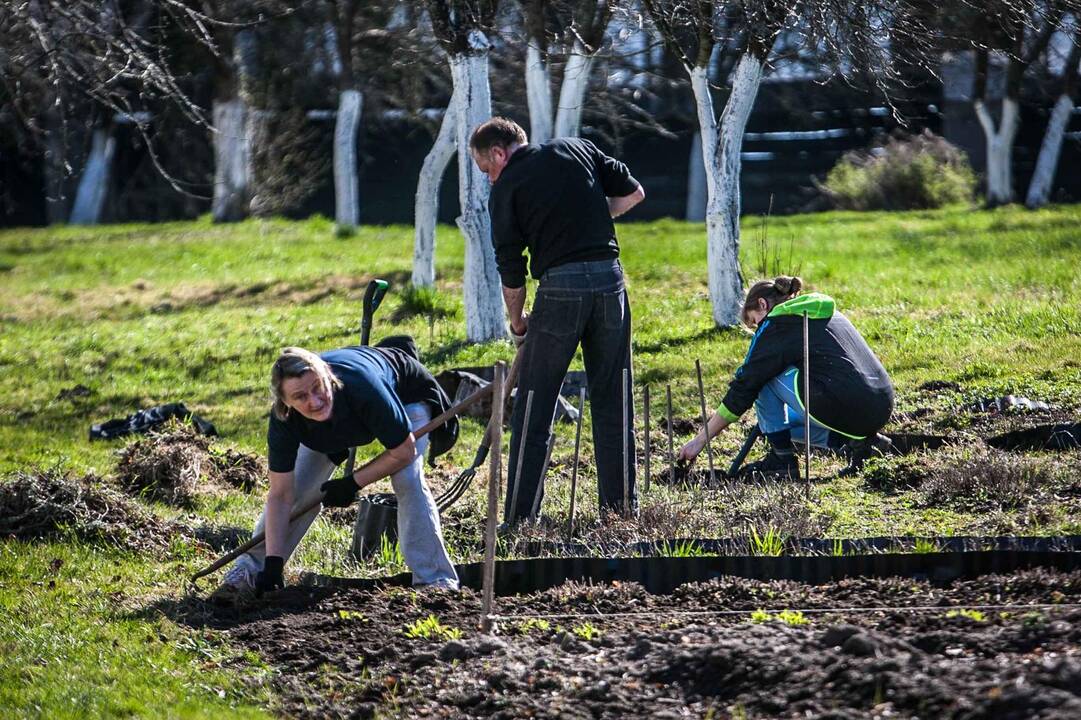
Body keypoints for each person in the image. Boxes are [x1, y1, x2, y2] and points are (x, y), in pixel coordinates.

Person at [469, 117, 646, 523]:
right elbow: (635, 193)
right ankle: (619, 513)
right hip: (610, 284)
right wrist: (589, 217)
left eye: (486, 170)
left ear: (499, 153)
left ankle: (519, 516)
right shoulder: (580, 148)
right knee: (613, 398)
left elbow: (511, 269)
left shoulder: (507, 188)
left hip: (559, 291)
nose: (490, 179)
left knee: (535, 403)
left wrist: (517, 322)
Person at [212, 344, 460, 601]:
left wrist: (353, 483)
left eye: (318, 387)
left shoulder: (363, 386)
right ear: (285, 403)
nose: (315, 400)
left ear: (328, 376)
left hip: (404, 395)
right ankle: (252, 570)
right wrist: (274, 563)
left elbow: (403, 452)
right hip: (330, 426)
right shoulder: (285, 420)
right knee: (300, 487)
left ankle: (435, 580)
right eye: (300, 397)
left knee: (407, 478)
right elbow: (281, 495)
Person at [678, 276, 894, 478]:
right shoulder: (824, 312)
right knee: (781, 428)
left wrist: (699, 441)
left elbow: (745, 386)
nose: (758, 329)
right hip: (881, 404)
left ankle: (782, 461)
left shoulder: (777, 324)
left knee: (762, 378)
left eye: (755, 322)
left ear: (763, 304)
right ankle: (860, 444)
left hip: (842, 403)